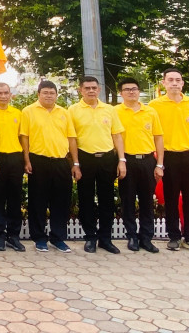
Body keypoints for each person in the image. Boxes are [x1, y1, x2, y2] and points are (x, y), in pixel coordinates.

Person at [149, 68, 189, 254]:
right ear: (164, 83)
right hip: (168, 156)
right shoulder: (154, 106)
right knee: (171, 198)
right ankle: (174, 236)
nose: (174, 83)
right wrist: (157, 160)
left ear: (183, 83)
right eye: (170, 80)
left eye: (178, 80)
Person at [68, 76, 126, 254]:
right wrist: (75, 163)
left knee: (107, 200)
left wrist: (121, 160)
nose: (91, 91)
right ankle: (90, 238)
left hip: (107, 158)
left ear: (99, 89)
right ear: (81, 90)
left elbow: (117, 135)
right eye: (87, 88)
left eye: (94, 88)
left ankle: (105, 239)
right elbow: (72, 139)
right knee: (86, 199)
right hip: (85, 158)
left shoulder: (109, 109)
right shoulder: (73, 110)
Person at [20, 80, 79, 253]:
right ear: (38, 94)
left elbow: (71, 139)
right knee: (38, 201)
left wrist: (75, 163)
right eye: (45, 92)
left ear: (56, 95)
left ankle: (58, 238)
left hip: (61, 161)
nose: (48, 96)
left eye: (52, 93)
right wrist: (26, 160)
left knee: (61, 201)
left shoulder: (64, 113)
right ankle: (39, 238)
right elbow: (25, 138)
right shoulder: (28, 111)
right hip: (38, 161)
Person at [116, 77, 164, 253]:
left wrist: (159, 164)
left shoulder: (150, 112)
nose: (131, 92)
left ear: (139, 91)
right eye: (127, 89)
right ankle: (132, 237)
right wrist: (120, 161)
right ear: (121, 93)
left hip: (148, 161)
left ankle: (146, 238)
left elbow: (158, 138)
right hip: (126, 161)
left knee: (147, 201)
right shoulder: (115, 112)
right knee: (128, 201)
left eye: (134, 89)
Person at [0, 82, 26, 252]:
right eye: (0, 93)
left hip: (15, 159)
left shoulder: (18, 113)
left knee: (15, 198)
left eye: (6, 93)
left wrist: (25, 160)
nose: (3, 96)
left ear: (11, 94)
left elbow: (23, 138)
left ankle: (13, 236)